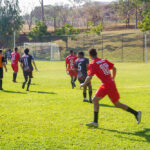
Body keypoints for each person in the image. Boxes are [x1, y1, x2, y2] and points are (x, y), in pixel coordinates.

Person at [80, 48, 141, 127]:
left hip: (108, 85)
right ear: (96, 54)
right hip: (106, 84)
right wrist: (112, 78)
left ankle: (136, 113)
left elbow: (89, 77)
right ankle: (95, 122)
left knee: (117, 104)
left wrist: (83, 84)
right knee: (95, 100)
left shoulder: (92, 64)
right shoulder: (103, 60)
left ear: (89, 55)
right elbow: (114, 68)